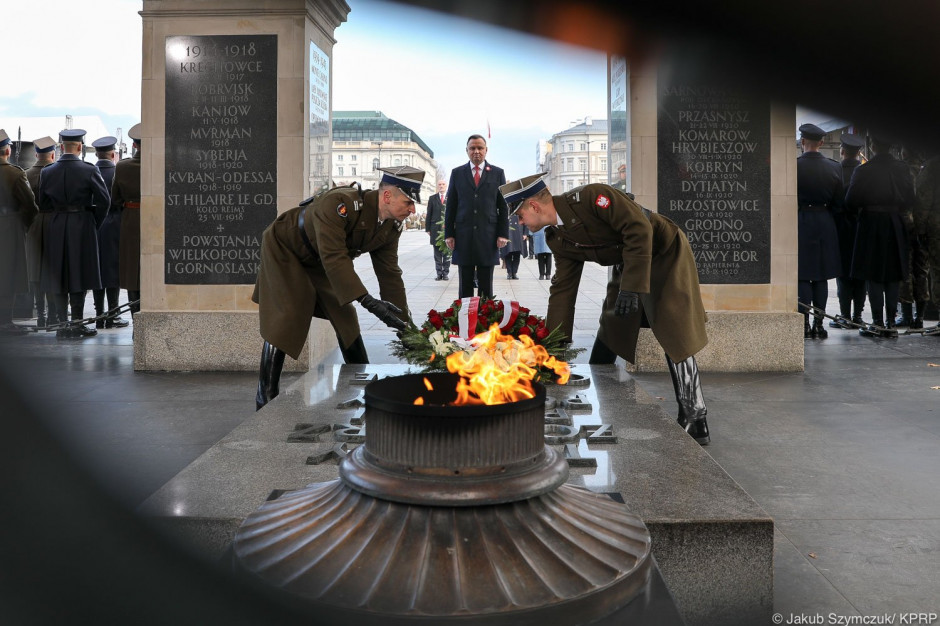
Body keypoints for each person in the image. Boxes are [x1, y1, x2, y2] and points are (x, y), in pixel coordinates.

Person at [500, 174, 710, 445]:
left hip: (662, 251)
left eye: (520, 216)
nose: (520, 224)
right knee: (612, 325)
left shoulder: (591, 198)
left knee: (673, 327)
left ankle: (695, 416)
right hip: (630, 259)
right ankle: (609, 403)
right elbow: (562, 291)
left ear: (534, 206)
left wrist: (631, 288)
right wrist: (551, 349)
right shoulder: (558, 238)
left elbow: (639, 229)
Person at [252, 166, 423, 410]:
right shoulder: (340, 203)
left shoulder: (390, 226)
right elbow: (334, 257)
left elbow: (390, 275)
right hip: (287, 249)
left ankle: (364, 381)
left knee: (345, 316)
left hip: (320, 259)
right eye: (408, 202)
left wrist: (405, 327)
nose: (412, 209)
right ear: (387, 196)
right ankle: (265, 396)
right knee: (287, 316)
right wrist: (368, 300)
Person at [37, 128, 109, 339]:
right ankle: (77, 322)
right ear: (79, 146)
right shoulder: (89, 170)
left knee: (59, 273)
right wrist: (94, 222)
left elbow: (43, 203)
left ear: (61, 147)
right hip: (82, 223)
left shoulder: (47, 171)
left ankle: (62, 324)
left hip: (57, 224)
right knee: (79, 272)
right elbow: (104, 201)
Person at [845, 134, 915, 337]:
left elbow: (850, 201)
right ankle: (891, 323)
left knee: (873, 274)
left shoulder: (863, 170)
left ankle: (877, 322)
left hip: (871, 223)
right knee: (893, 274)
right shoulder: (902, 168)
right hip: (894, 220)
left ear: (872, 146)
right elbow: (911, 198)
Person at [444, 134, 510, 298]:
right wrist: (449, 234)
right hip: (463, 235)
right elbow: (451, 205)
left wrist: (503, 234)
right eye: (472, 148)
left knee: (486, 285)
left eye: (480, 148)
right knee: (464, 284)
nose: (476, 151)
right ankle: (464, 319)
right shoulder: (457, 173)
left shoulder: (497, 173)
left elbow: (502, 206)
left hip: (488, 235)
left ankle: (485, 319)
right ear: (466, 150)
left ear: (486, 150)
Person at [796, 123, 843, 339]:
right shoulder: (834, 167)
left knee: (804, 275)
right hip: (825, 221)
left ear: (803, 141)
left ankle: (803, 323)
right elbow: (839, 203)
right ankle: (819, 324)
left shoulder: (794, 166)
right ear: (822, 143)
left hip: (801, 220)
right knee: (822, 276)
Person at [0, 129, 39, 335]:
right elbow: (30, 206)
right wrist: (21, 225)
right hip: (9, 228)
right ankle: (5, 321)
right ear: (8, 150)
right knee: (9, 274)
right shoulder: (15, 173)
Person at [830, 133, 867, 328]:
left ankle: (845, 315)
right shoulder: (865, 172)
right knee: (860, 272)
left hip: (841, 227)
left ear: (842, 151)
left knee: (843, 272)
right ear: (858, 153)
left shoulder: (835, 170)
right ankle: (858, 316)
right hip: (862, 226)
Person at [91, 135, 129, 329]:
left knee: (97, 270)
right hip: (115, 224)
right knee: (112, 269)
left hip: (94, 225)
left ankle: (98, 314)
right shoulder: (118, 171)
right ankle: (113, 314)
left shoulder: (89, 170)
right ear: (113, 154)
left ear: (97, 154)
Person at [24, 136, 58, 327]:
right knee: (52, 269)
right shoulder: (56, 172)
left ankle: (41, 316)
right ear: (52, 154)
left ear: (36, 154)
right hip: (53, 222)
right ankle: (53, 315)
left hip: (34, 224)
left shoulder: (26, 173)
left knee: (35, 271)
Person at [895, 145, 929, 329]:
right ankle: (920, 317)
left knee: (905, 270)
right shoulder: (928, 171)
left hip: (905, 225)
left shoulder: (901, 171)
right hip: (925, 227)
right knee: (922, 271)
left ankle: (906, 314)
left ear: (905, 151)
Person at [112, 124, 142, 315]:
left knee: (132, 270)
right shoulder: (163, 163)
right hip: (158, 220)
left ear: (134, 144)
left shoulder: (122, 167)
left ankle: (135, 319)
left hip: (131, 219)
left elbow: (115, 198)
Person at [914, 150, 940, 329]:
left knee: (937, 271)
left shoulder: (932, 166)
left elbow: (923, 201)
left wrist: (920, 230)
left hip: (937, 227)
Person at [425, 179, 450, 280]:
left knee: (447, 252)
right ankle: (439, 273)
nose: (441, 186)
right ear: (437, 186)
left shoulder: (451, 197)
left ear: (446, 185)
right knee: (437, 253)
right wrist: (427, 228)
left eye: (443, 184)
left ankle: (446, 273)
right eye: (439, 184)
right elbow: (429, 214)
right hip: (435, 229)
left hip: (447, 230)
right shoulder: (432, 198)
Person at [501, 213, 524, 279]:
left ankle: (514, 273)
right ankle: (509, 273)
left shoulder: (520, 209)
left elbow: (526, 221)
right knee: (508, 254)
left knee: (517, 255)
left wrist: (525, 233)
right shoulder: (505, 208)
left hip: (518, 235)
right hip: (507, 234)